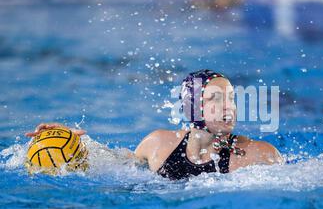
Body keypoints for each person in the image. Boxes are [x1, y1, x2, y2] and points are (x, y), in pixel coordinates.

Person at [26, 69, 283, 180]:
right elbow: (113, 164)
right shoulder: (159, 145)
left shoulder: (257, 155)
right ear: (193, 107)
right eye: (216, 98)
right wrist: (74, 143)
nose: (230, 107)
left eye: (232, 98)